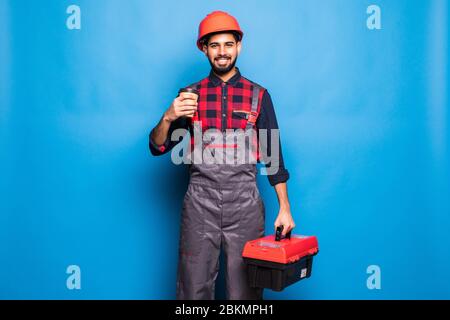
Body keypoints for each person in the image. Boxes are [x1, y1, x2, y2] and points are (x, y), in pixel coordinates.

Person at [149, 11, 295, 300]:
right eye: (214, 45)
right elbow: (157, 147)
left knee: (246, 292)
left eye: (228, 44)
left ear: (238, 46)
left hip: (245, 206)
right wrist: (168, 117)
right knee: (193, 287)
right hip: (199, 205)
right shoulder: (189, 95)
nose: (222, 52)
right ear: (204, 49)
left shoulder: (259, 95)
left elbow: (273, 157)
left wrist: (285, 208)